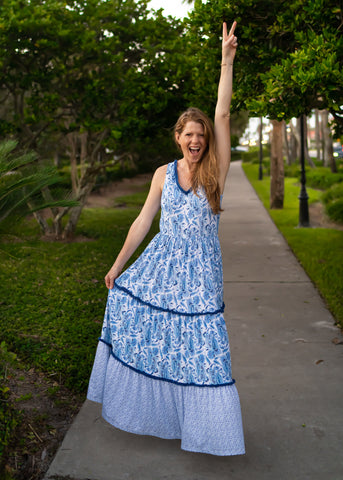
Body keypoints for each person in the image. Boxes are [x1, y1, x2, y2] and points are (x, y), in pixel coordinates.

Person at [87, 21, 245, 456]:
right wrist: (117, 266)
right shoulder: (162, 174)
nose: (195, 139)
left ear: (207, 140)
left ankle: (208, 431)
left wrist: (226, 62)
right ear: (177, 138)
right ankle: (167, 418)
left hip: (201, 275)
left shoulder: (216, 170)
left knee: (204, 350)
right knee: (164, 342)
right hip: (162, 267)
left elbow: (224, 113)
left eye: (201, 135)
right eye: (187, 134)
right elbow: (142, 222)